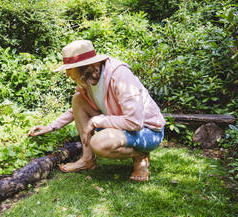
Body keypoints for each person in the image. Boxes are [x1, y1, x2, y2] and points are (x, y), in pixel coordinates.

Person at [28, 40, 165, 182]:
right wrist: (50, 127)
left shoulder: (119, 75)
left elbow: (135, 122)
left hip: (148, 131)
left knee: (99, 143)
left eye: (70, 68)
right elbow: (75, 110)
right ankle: (87, 159)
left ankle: (140, 156)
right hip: (121, 127)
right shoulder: (88, 80)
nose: (67, 74)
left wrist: (97, 120)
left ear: (83, 67)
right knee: (77, 99)